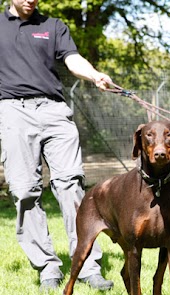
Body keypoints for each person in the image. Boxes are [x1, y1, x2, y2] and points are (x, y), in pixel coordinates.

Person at [0, 0, 114, 292]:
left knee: (71, 186)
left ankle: (86, 264)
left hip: (54, 111)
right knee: (24, 190)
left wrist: (95, 75)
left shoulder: (53, 26)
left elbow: (72, 59)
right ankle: (47, 266)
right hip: (13, 111)